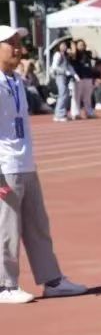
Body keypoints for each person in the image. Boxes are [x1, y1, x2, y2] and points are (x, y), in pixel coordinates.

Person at [0, 26, 87, 304]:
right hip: (5, 167)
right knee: (7, 229)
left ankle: (52, 280)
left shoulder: (16, 80)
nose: (18, 48)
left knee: (38, 226)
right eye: (11, 43)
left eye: (19, 43)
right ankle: (5, 285)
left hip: (25, 162)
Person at [49, 37, 75, 123]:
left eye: (65, 45)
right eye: (62, 45)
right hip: (60, 76)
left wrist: (74, 74)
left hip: (65, 76)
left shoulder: (65, 55)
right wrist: (64, 71)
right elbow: (54, 66)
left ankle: (61, 113)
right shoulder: (57, 54)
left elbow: (69, 66)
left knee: (66, 94)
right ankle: (60, 114)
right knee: (63, 94)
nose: (64, 46)